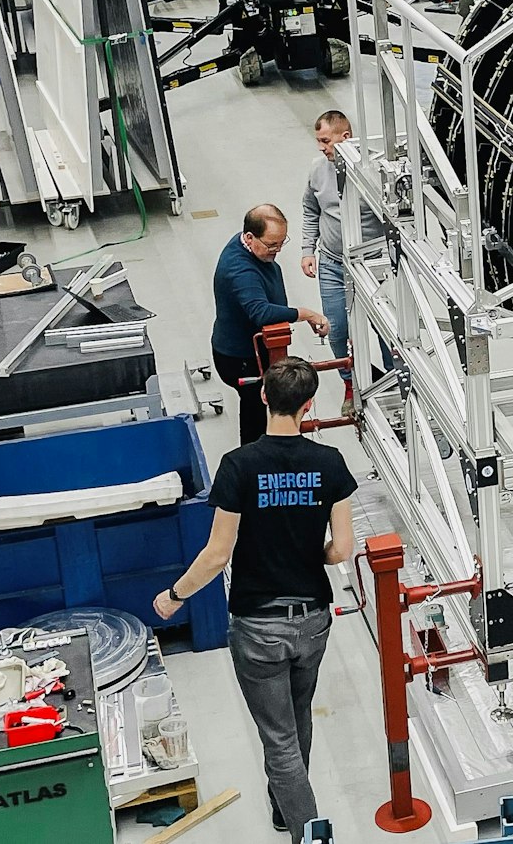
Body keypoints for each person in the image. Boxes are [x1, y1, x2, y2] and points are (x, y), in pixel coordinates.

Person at [153, 357, 357, 837]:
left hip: (257, 626)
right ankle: (285, 810)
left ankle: (309, 832)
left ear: (264, 397)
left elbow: (217, 554)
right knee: (296, 717)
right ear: (309, 406)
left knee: (279, 737)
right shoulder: (329, 463)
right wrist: (314, 554)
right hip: (312, 620)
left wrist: (174, 595)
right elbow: (342, 548)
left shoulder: (240, 466)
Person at [213, 204, 329, 446]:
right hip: (242, 358)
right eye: (271, 245)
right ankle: (254, 460)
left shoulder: (250, 248)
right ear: (249, 237)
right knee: (255, 410)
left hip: (249, 350)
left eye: (281, 243)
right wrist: (306, 314)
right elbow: (261, 312)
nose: (276, 251)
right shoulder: (240, 268)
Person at [300, 110, 386, 417]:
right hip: (333, 265)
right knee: (335, 330)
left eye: (326, 141)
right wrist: (308, 250)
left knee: (386, 329)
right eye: (319, 141)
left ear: (345, 138)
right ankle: (351, 384)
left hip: (373, 264)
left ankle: (394, 385)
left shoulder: (373, 170)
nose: (322, 148)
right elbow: (311, 210)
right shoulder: (317, 169)